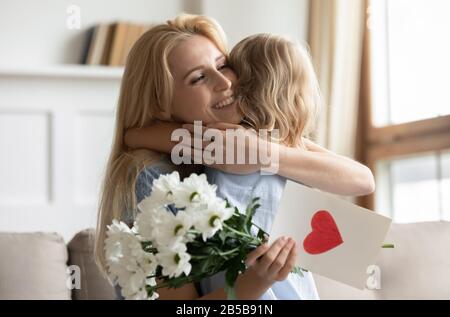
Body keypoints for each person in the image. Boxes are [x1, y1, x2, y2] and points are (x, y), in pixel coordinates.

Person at [96, 14, 375, 300]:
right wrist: (256, 281)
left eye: (222, 65)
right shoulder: (151, 177)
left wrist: (262, 154)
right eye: (198, 78)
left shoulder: (250, 140)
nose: (224, 83)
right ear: (160, 103)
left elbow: (362, 179)